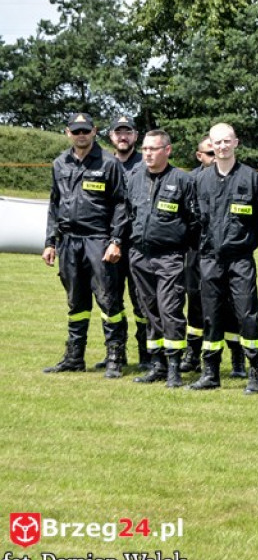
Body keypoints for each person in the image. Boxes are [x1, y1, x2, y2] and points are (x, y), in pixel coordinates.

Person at [42, 112, 128, 375]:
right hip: (69, 242)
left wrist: (116, 241)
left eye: (85, 131)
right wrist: (50, 242)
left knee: (108, 300)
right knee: (76, 303)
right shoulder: (59, 163)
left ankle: (115, 357)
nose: (81, 135)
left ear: (94, 131)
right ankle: (74, 357)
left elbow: (121, 204)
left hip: (98, 240)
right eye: (76, 131)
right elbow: (54, 204)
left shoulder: (109, 163)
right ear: (68, 132)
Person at [190, 123, 258, 394]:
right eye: (217, 142)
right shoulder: (200, 179)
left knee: (247, 314)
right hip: (210, 258)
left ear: (236, 143)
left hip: (240, 258)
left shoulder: (251, 178)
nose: (222, 146)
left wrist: (242, 246)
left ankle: (255, 373)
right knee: (210, 316)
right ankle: (210, 372)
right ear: (210, 145)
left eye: (227, 141)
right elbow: (195, 221)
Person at [124, 130, 200, 387]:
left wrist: (180, 247)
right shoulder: (134, 179)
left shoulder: (182, 180)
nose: (147, 154)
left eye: (153, 149)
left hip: (169, 256)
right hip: (139, 256)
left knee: (170, 310)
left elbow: (194, 221)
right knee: (149, 311)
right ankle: (157, 364)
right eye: (145, 149)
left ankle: (175, 369)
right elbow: (127, 215)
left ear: (167, 150)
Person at [93, 115, 148, 372]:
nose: (123, 137)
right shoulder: (102, 164)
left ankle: (147, 353)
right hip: (109, 244)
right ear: (111, 136)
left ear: (135, 136)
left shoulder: (145, 163)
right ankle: (115, 352)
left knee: (142, 302)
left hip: (138, 243)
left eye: (128, 132)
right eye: (118, 132)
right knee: (110, 300)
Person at [181, 137, 216, 375]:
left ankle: (234, 360)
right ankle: (193, 353)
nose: (214, 158)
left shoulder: (233, 179)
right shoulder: (189, 181)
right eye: (209, 153)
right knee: (194, 303)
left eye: (216, 152)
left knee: (227, 306)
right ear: (199, 156)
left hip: (221, 253)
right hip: (194, 251)